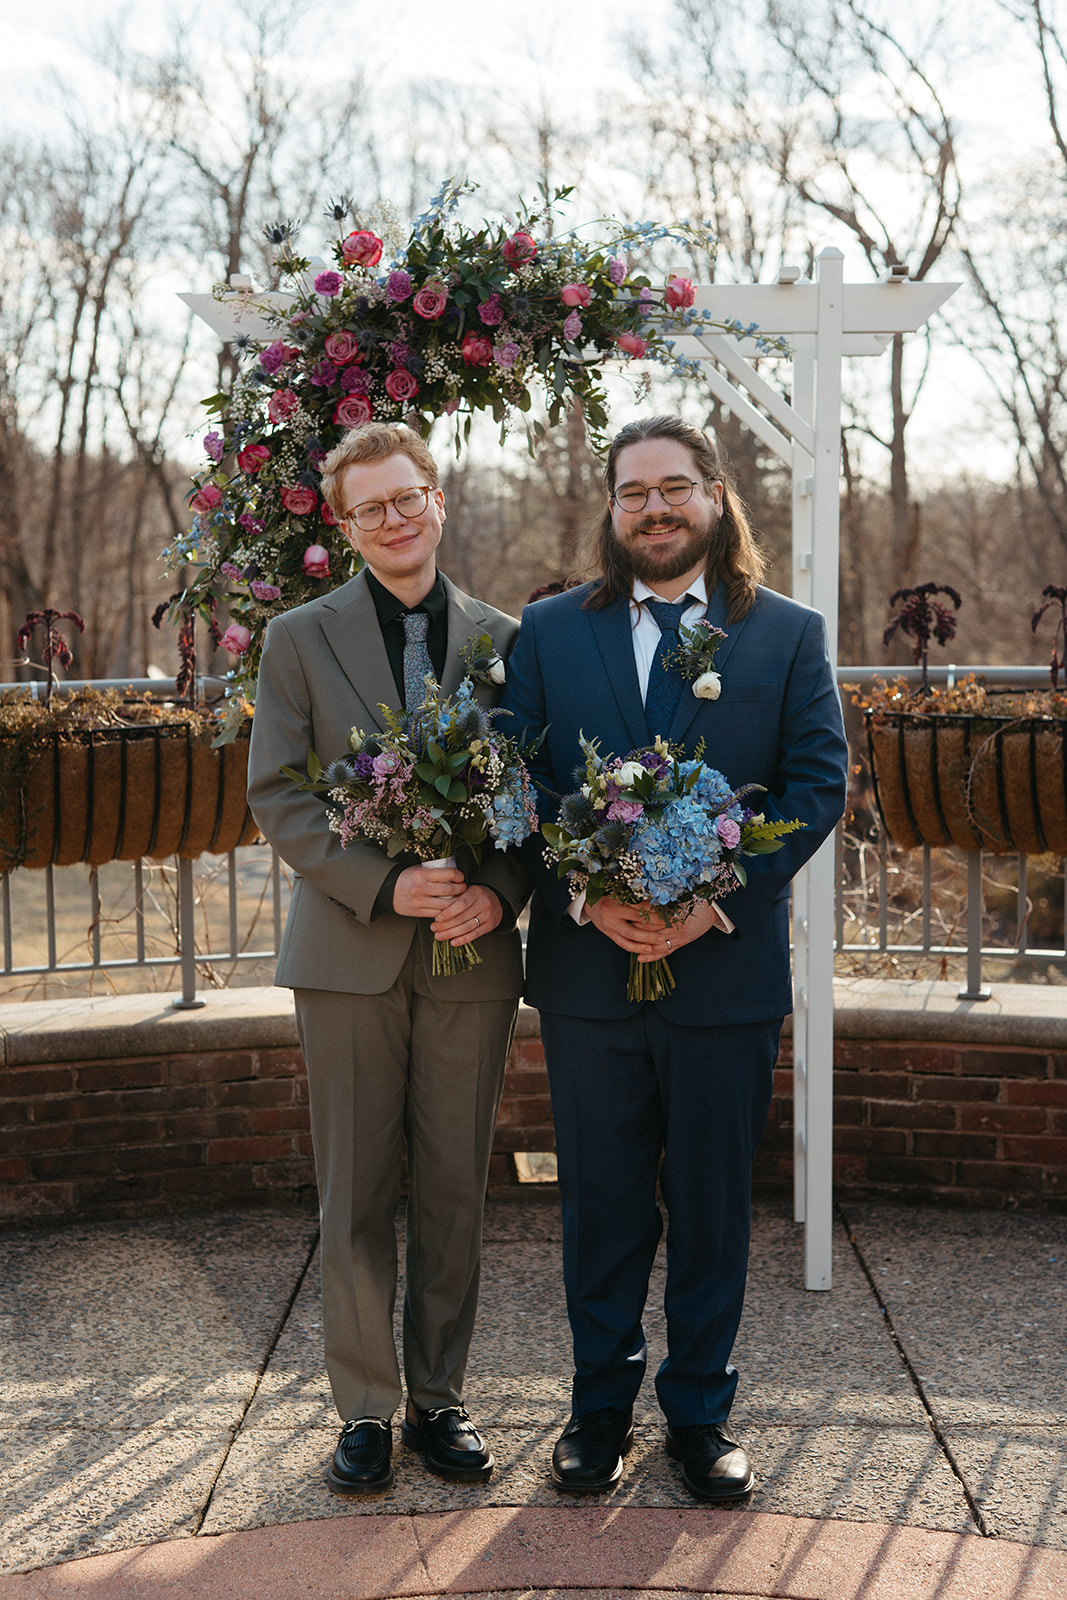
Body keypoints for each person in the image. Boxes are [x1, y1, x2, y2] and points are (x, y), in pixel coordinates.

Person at [500, 415, 848, 1502]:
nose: (653, 508)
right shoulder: (550, 629)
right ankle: (595, 1408)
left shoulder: (784, 633)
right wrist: (587, 889)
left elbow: (812, 785)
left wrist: (713, 905)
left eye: (673, 488)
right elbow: (514, 776)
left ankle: (699, 1411)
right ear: (610, 510)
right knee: (600, 1201)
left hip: (723, 974)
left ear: (713, 496)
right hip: (587, 971)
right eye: (631, 491)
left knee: (706, 1201)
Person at [247, 421, 528, 1495]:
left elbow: (531, 800)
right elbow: (275, 791)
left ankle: (439, 1399)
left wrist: (498, 897)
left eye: (408, 496)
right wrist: (380, 881)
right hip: (347, 948)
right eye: (370, 507)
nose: (394, 518)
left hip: (470, 953)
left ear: (439, 499)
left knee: (455, 1182)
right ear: (344, 523)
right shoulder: (296, 640)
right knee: (355, 1188)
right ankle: (364, 1409)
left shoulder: (507, 641)